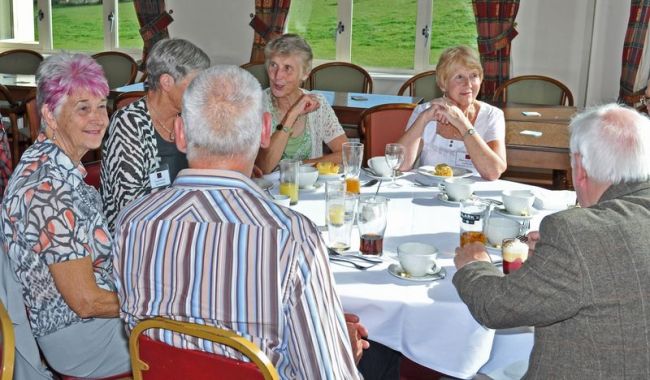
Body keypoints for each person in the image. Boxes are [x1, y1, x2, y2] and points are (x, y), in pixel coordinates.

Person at [112, 65, 362, 379]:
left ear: (180, 133)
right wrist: (342, 351)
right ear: (265, 130)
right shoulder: (291, 237)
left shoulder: (132, 223)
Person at [453, 104, 650, 378]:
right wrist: (556, 257)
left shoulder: (575, 231)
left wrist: (473, 265)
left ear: (579, 167)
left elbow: (497, 307)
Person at [1, 53, 129, 378]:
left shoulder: (51, 160)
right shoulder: (48, 189)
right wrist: (151, 304)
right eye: (82, 107)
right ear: (51, 115)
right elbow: (85, 301)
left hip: (93, 317)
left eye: (102, 106)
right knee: (186, 334)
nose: (99, 118)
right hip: (81, 336)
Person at [100, 38, 210, 233]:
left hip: (183, 225)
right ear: (166, 82)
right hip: (137, 236)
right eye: (195, 83)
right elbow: (130, 207)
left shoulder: (190, 117)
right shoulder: (128, 124)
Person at [397, 46, 506, 180]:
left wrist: (462, 123)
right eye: (459, 77)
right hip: (428, 194)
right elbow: (399, 165)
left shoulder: (492, 116)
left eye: (474, 76)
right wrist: (424, 118)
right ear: (443, 84)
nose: (469, 84)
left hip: (472, 196)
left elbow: (493, 172)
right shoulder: (424, 111)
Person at [255, 34, 348, 174]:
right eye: (273, 65)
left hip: (309, 192)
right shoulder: (255, 105)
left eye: (287, 68)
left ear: (305, 74)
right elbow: (264, 167)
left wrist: (301, 166)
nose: (277, 75)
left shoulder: (318, 104)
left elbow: (346, 154)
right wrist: (292, 115)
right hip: (267, 194)